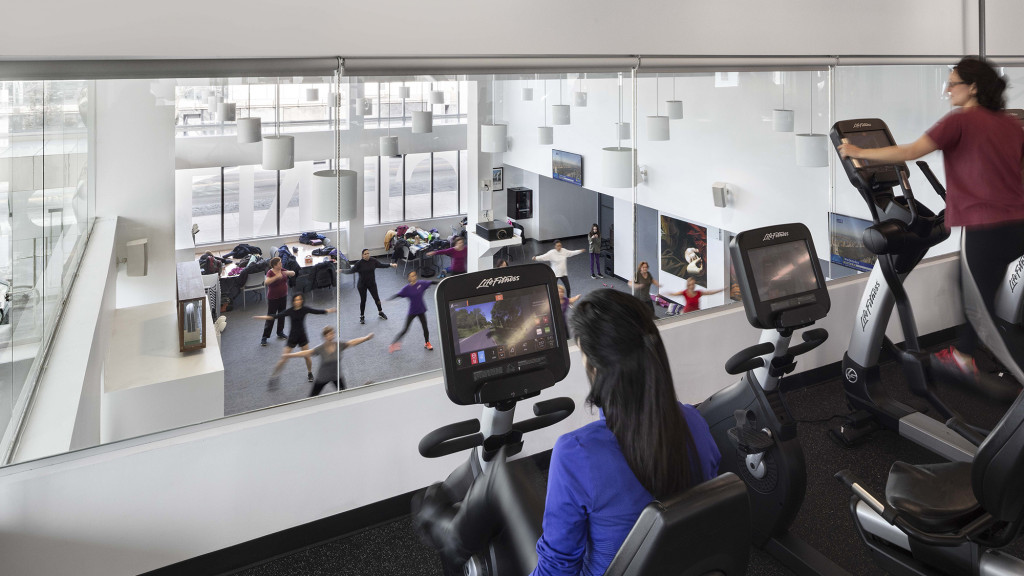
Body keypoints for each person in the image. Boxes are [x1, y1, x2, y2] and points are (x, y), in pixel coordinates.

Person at [838, 56, 1024, 376]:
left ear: (974, 87)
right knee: (979, 297)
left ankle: (976, 361)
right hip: (1018, 226)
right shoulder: (1009, 123)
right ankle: (965, 355)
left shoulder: (960, 121)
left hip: (985, 227)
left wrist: (859, 152)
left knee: (978, 305)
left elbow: (908, 152)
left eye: (953, 84)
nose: (948, 91)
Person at [535, 289, 720, 575]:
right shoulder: (694, 422)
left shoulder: (576, 454)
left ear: (592, 365)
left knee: (512, 497)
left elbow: (557, 568)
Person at [255, 294, 336, 383]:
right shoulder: (289, 311)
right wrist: (262, 317)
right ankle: (274, 375)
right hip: (292, 337)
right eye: (296, 300)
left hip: (302, 336)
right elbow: (275, 316)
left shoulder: (305, 309)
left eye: (299, 300)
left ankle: (309, 373)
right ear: (293, 301)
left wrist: (330, 310)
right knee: (284, 357)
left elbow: (317, 311)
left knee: (307, 357)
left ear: (302, 300)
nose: (298, 301)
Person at [281, 326, 374, 397]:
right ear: (325, 336)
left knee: (344, 396)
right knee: (312, 398)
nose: (332, 335)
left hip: (337, 376)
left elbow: (352, 342)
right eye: (329, 334)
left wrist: (366, 338)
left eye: (332, 333)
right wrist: (289, 355)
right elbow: (307, 352)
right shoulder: (320, 348)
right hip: (322, 377)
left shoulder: (339, 345)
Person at [342, 249, 397, 324]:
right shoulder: (359, 263)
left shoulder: (373, 261)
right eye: (365, 254)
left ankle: (380, 312)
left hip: (372, 284)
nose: (367, 255)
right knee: (363, 300)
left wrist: (390, 265)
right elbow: (351, 271)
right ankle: (362, 316)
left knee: (376, 298)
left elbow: (381, 265)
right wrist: (341, 271)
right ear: (362, 255)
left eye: (368, 253)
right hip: (362, 285)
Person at [388, 270, 439, 353]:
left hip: (421, 310)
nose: (414, 277)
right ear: (408, 278)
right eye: (411, 276)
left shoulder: (421, 284)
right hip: (412, 311)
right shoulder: (406, 289)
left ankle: (427, 343)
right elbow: (398, 295)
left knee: (425, 328)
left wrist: (442, 281)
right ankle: (393, 344)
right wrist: (388, 300)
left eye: (414, 275)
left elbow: (432, 282)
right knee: (405, 329)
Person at [260, 256, 295, 347]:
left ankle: (280, 332)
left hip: (283, 296)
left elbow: (293, 273)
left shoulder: (282, 269)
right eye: (279, 263)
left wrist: (288, 272)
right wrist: (276, 277)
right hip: (273, 298)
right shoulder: (270, 272)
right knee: (271, 317)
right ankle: (265, 337)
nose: (281, 264)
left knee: (282, 314)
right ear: (275, 265)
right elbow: (266, 282)